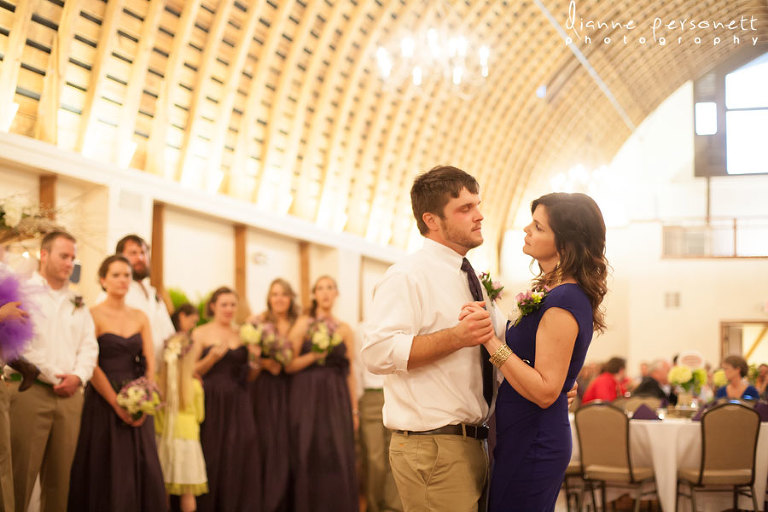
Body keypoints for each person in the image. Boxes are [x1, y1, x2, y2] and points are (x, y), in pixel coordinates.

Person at [363, 166, 507, 512]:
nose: (479, 215)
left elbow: (499, 341)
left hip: (470, 441)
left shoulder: (467, 275)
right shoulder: (407, 276)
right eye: (465, 208)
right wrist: (456, 337)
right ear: (431, 220)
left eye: (477, 205)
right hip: (433, 446)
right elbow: (377, 353)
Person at [461, 192, 607, 511]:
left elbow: (544, 392)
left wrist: (490, 340)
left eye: (538, 227)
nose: (527, 230)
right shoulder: (551, 292)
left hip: (536, 439)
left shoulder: (565, 300)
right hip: (521, 432)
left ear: (565, 243)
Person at [7, 231, 99, 512]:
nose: (70, 263)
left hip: (69, 397)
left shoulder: (77, 301)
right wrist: (52, 374)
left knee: (60, 480)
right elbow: (18, 343)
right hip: (30, 390)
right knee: (21, 474)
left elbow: (89, 345)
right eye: (64, 256)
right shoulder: (22, 292)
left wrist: (78, 376)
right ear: (44, 255)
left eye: (73, 258)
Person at [68, 254, 166, 511]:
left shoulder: (140, 316)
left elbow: (150, 360)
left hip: (137, 394)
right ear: (103, 280)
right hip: (103, 398)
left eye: (127, 275)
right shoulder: (92, 314)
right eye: (116, 275)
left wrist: (145, 397)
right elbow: (91, 363)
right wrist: (116, 402)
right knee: (106, 464)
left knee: (144, 465)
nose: (123, 280)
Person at [286, 276, 358, 512]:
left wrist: (354, 409)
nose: (325, 293)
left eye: (330, 288)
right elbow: (289, 365)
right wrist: (314, 355)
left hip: (336, 397)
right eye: (320, 288)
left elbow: (350, 371)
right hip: (306, 396)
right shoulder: (303, 324)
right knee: (308, 450)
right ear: (314, 294)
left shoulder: (345, 329)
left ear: (336, 294)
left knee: (336, 452)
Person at [192, 286, 261, 512]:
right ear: (213, 306)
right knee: (212, 454)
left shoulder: (243, 333)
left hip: (239, 400)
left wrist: (255, 360)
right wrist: (211, 359)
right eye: (224, 304)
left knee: (239, 453)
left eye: (233, 304)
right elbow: (191, 370)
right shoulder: (200, 333)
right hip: (211, 400)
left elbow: (250, 376)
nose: (229, 309)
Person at [247, 278, 300, 512]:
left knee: (292, 443)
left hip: (294, 387)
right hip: (266, 390)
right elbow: (249, 358)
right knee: (269, 443)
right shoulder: (258, 322)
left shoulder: (299, 323)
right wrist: (266, 363)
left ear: (291, 298)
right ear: (269, 298)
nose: (279, 299)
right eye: (274, 294)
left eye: (284, 294)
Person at [155, 333, 208, 512]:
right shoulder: (195, 386)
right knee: (188, 493)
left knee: (162, 489)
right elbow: (200, 416)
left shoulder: (157, 383)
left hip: (162, 440)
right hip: (188, 443)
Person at [103, 235, 175, 360]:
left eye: (143, 253)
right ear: (120, 258)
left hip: (159, 365)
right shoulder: (113, 292)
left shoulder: (152, 292)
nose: (140, 258)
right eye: (133, 253)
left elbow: (168, 331)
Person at [355, 321, 402, 512]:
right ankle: (373, 506)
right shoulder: (362, 329)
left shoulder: (401, 325)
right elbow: (357, 368)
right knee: (375, 458)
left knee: (396, 456)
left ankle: (393, 507)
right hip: (371, 396)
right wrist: (357, 405)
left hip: (396, 394)